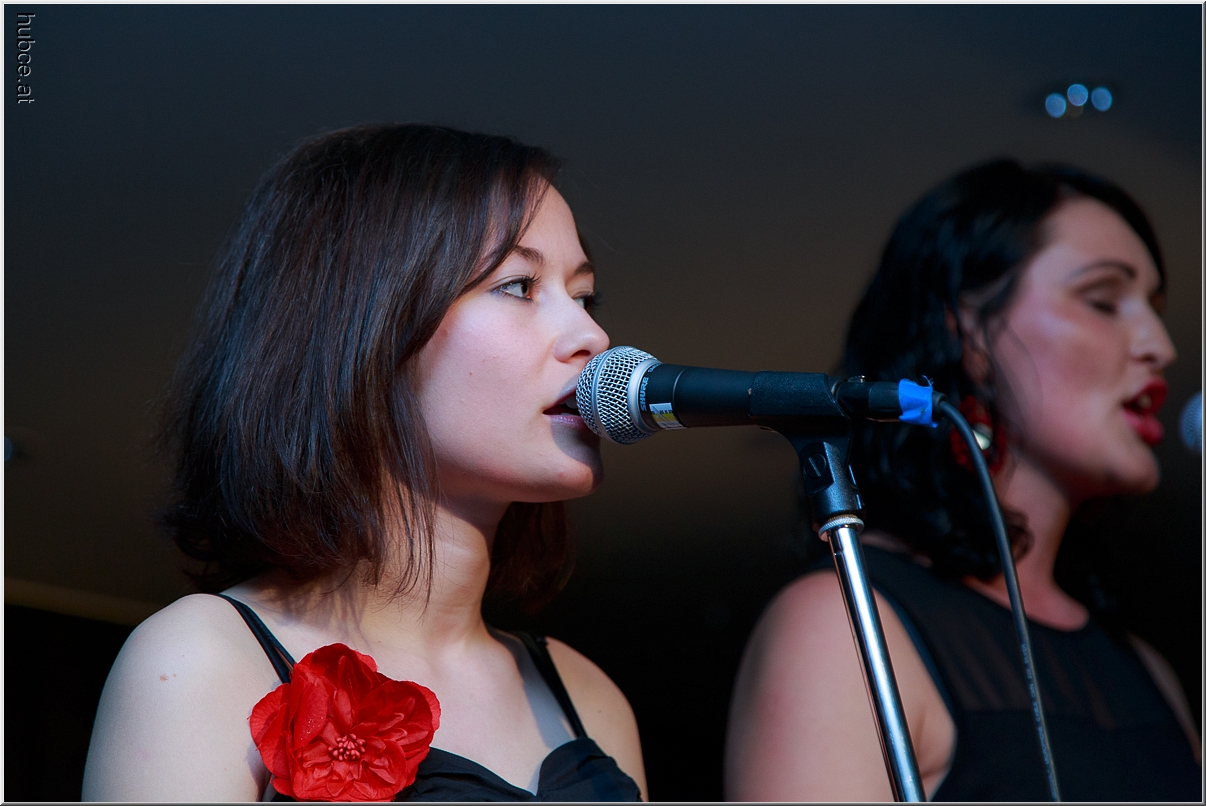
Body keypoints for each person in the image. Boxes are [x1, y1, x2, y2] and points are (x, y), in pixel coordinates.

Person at [83, 124, 647, 802]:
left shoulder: (587, 698)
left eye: (584, 297)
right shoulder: (202, 661)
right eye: (520, 285)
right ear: (365, 324)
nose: (593, 336)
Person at [725, 160, 1200, 801]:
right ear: (970, 334)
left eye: (1155, 310)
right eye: (1103, 301)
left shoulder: (1147, 672)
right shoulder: (843, 627)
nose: (1159, 346)